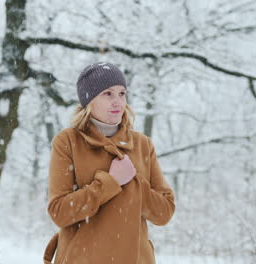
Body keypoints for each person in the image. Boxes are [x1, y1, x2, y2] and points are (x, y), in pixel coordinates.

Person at [43, 62, 175, 264]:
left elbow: (164, 212)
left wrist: (134, 183)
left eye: (122, 93)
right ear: (89, 101)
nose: (118, 102)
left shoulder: (142, 145)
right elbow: (60, 212)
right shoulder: (68, 142)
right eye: (108, 94)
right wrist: (110, 182)